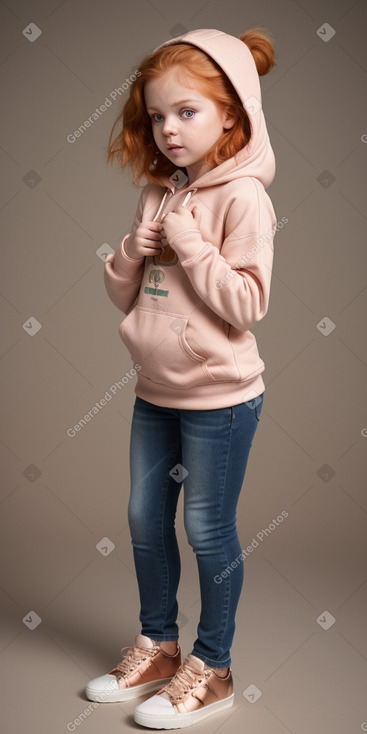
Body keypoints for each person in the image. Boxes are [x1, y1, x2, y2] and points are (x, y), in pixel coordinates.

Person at [86, 26, 277, 729]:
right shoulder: (157, 192)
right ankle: (159, 647)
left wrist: (191, 242)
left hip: (220, 400)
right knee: (143, 519)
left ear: (231, 114)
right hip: (153, 389)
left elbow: (246, 304)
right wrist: (130, 255)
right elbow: (128, 297)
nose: (168, 129)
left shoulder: (244, 200)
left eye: (187, 112)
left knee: (205, 527)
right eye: (157, 114)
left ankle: (214, 667)